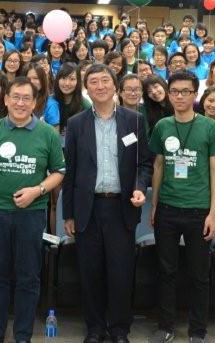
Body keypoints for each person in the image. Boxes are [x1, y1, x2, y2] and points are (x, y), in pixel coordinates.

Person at [0, 76, 65, 343]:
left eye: (27, 98)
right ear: (6, 99)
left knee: (28, 277)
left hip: (32, 215)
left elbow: (58, 172)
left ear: (35, 102)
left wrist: (37, 190)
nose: (20, 103)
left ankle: (23, 335)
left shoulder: (47, 134)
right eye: (15, 97)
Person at [62, 64, 149, 343]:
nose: (100, 86)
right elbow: (71, 171)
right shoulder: (76, 124)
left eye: (105, 81)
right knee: (90, 272)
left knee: (121, 272)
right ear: (86, 88)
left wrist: (138, 187)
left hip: (122, 207)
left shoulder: (134, 120)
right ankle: (95, 328)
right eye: (93, 82)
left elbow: (144, 163)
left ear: (115, 86)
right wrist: (69, 214)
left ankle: (120, 329)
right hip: (88, 208)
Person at [148, 70, 215, 343]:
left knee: (199, 275)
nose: (180, 96)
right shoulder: (162, 126)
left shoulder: (210, 127)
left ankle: (197, 331)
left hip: (199, 211)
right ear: (169, 95)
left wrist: (213, 213)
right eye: (175, 91)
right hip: (167, 207)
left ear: (195, 95)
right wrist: (154, 204)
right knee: (166, 271)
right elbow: (158, 166)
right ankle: (166, 326)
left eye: (186, 92)